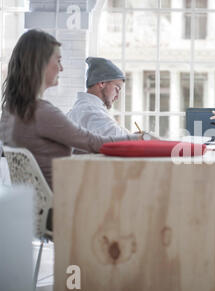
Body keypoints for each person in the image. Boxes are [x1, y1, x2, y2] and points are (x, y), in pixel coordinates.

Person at [0, 29, 144, 189]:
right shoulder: (41, 112)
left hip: (36, 199)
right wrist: (140, 139)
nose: (61, 68)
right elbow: (93, 142)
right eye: (58, 60)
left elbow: (76, 146)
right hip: (62, 201)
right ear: (41, 63)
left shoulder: (11, 111)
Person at [67, 57, 159, 140]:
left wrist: (132, 135)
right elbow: (116, 138)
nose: (117, 96)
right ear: (102, 83)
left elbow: (114, 134)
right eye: (117, 88)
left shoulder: (85, 108)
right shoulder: (90, 110)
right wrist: (144, 137)